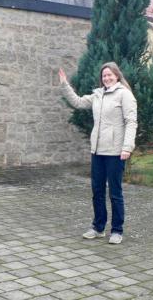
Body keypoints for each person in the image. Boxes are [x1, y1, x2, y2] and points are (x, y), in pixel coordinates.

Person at [58, 62, 138, 245]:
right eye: (104, 76)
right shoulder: (98, 95)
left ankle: (117, 230)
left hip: (116, 152)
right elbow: (77, 102)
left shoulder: (124, 95)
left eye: (110, 75)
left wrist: (127, 148)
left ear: (117, 76)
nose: (107, 78)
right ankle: (98, 227)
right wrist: (64, 84)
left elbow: (131, 122)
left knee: (115, 193)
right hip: (97, 151)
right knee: (97, 191)